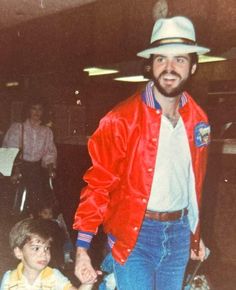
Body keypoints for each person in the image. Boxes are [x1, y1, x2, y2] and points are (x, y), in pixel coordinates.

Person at [73, 16, 211, 290]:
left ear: (193, 66)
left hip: (179, 235)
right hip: (135, 236)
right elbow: (98, 185)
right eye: (161, 59)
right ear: (150, 64)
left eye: (180, 60)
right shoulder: (120, 119)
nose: (169, 68)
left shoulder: (198, 119)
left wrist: (195, 234)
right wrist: (82, 248)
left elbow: (192, 182)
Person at [0, 218, 99, 290]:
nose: (44, 253)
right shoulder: (9, 278)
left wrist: (87, 283)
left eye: (47, 248)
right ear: (19, 252)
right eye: (36, 248)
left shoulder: (53, 276)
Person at [2, 97, 57, 215]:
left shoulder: (46, 131)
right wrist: (14, 171)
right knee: (17, 202)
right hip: (19, 168)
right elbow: (11, 150)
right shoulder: (18, 127)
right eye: (34, 109)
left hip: (36, 170)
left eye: (40, 109)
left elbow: (49, 152)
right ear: (28, 110)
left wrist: (51, 169)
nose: (37, 112)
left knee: (38, 203)